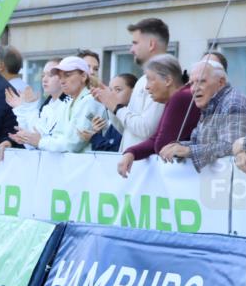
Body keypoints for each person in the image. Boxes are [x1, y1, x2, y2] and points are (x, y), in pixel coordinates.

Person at [158, 59, 246, 172]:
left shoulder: (233, 102)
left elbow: (231, 146)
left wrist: (188, 151)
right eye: (191, 83)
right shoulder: (211, 103)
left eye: (201, 81)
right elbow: (201, 143)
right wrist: (178, 147)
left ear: (221, 82)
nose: (194, 89)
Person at [117, 55, 200, 177]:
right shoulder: (180, 96)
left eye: (150, 79)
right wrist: (131, 153)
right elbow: (156, 139)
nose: (147, 87)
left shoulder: (180, 97)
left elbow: (161, 145)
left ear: (167, 80)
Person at [94, 18, 167, 151]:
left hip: (144, 161)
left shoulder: (163, 77)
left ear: (151, 44)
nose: (131, 49)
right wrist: (110, 103)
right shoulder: (142, 80)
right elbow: (127, 130)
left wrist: (116, 107)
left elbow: (146, 130)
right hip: (132, 160)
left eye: (135, 43)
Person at [11, 56, 106, 153]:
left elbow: (73, 144)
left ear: (83, 76)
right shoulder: (69, 103)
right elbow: (57, 136)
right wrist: (33, 139)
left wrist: (40, 141)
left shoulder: (90, 101)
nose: (62, 81)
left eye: (67, 75)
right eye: (60, 77)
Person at [85, 73, 135, 152]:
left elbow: (116, 149)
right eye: (110, 90)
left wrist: (94, 138)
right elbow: (105, 152)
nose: (111, 94)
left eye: (118, 90)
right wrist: (98, 132)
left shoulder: (134, 119)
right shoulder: (114, 119)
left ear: (134, 91)